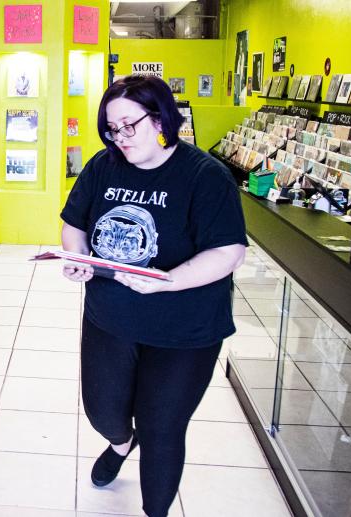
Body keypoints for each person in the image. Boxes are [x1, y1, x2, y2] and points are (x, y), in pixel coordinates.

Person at [60, 75, 247, 517]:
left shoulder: (205, 175)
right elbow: (75, 225)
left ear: (161, 117)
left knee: (162, 427)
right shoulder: (103, 166)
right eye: (110, 128)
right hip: (109, 317)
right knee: (102, 410)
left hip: (184, 330)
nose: (119, 137)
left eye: (129, 125)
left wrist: (169, 280)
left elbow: (229, 252)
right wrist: (78, 257)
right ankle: (122, 443)